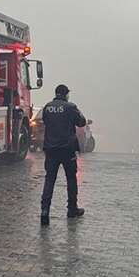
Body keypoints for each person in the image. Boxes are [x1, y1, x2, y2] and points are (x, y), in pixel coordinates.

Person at [40, 83, 86, 225]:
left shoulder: (47, 107)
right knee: (71, 179)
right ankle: (72, 210)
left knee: (49, 180)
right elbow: (81, 122)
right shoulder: (71, 107)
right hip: (67, 150)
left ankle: (45, 211)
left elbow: (45, 121)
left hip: (51, 150)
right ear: (66, 94)